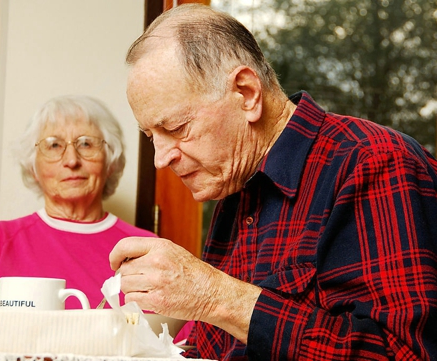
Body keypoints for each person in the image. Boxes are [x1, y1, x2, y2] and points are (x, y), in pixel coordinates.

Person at [109, 4, 437, 360]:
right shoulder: (234, 186)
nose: (161, 159)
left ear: (247, 93)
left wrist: (214, 295)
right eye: (150, 136)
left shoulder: (373, 162)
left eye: (176, 128)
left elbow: (406, 353)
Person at [0, 95, 157, 310]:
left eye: (86, 144)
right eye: (54, 145)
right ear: (33, 167)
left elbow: (181, 345)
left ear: (111, 162)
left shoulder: (147, 248)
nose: (71, 160)